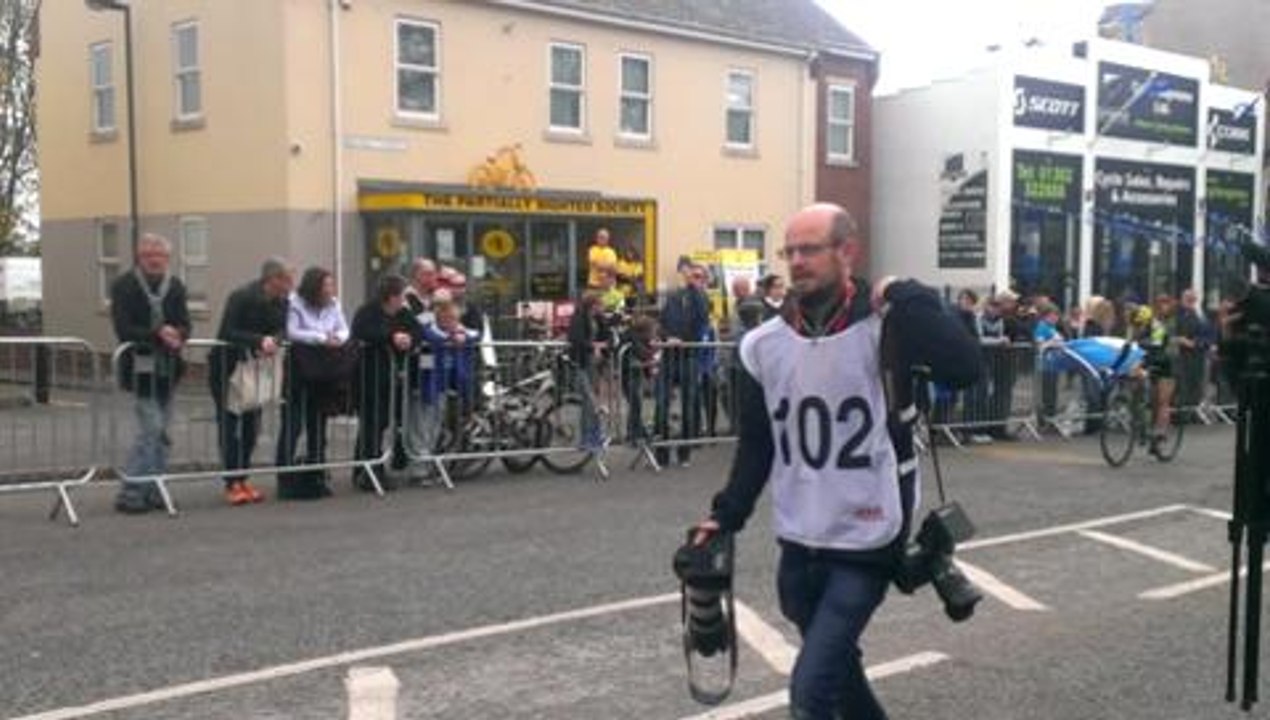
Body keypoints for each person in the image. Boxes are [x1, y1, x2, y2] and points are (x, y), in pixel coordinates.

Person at [691, 203, 980, 720]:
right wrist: (726, 515)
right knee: (838, 673)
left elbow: (964, 367)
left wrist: (901, 290)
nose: (797, 261)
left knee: (812, 690)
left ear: (847, 252)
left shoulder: (888, 329)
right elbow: (759, 443)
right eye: (791, 250)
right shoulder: (763, 346)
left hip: (869, 533)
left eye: (810, 249)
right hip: (801, 535)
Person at [110, 233, 191, 514]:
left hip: (168, 369)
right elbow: (124, 329)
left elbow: (185, 324)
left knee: (162, 433)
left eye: (160, 256)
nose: (155, 260)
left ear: (168, 258)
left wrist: (177, 332)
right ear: (139, 257)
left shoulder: (176, 286)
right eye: (148, 255)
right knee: (151, 429)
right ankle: (131, 490)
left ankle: (155, 488)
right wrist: (159, 333)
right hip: (139, 368)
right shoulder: (124, 285)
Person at [208, 258, 293, 506]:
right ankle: (231, 481)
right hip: (228, 368)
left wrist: (274, 340)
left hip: (256, 368)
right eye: (287, 279)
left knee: (251, 427)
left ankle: (243, 478)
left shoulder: (283, 302)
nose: (291, 285)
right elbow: (228, 332)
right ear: (273, 279)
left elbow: (283, 329)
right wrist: (258, 340)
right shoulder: (242, 296)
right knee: (229, 425)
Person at [275, 266, 349, 500]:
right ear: (314, 287)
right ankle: (284, 477)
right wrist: (320, 337)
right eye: (326, 285)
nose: (330, 290)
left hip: (323, 370)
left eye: (331, 285)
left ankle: (317, 472)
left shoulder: (334, 303)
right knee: (293, 425)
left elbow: (344, 328)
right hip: (299, 367)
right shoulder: (295, 302)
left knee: (318, 424)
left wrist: (337, 338)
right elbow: (292, 332)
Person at [351, 274, 423, 491]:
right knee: (371, 423)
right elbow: (362, 332)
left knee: (382, 423)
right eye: (401, 295)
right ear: (391, 296)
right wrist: (392, 337)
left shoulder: (403, 313)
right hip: (369, 376)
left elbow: (417, 330)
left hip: (393, 377)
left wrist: (409, 338)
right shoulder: (367, 311)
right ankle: (368, 471)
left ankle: (372, 467)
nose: (404, 299)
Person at [654, 262, 710, 467]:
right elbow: (661, 322)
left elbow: (702, 318)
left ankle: (684, 453)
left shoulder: (702, 298)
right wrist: (668, 337)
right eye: (691, 275)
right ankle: (661, 453)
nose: (693, 278)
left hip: (689, 357)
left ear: (704, 279)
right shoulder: (675, 296)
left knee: (688, 406)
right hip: (670, 355)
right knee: (662, 404)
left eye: (698, 276)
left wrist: (696, 289)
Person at [1112, 303, 1175, 446]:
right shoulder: (1132, 326)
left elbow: (1157, 352)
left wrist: (1142, 367)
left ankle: (1161, 431)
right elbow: (1126, 349)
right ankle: (1140, 424)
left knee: (1162, 401)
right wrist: (1114, 367)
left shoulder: (1157, 327)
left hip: (1164, 361)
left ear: (1146, 322)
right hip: (1146, 357)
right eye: (1135, 326)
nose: (1137, 329)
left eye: (1140, 326)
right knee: (1137, 389)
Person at [566, 292, 609, 451]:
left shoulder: (597, 318)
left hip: (594, 364)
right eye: (600, 304)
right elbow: (576, 339)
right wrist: (594, 346)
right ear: (593, 304)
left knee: (594, 400)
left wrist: (603, 344)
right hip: (582, 363)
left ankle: (595, 435)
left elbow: (605, 335)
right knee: (590, 400)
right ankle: (587, 437)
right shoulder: (579, 317)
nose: (602, 307)